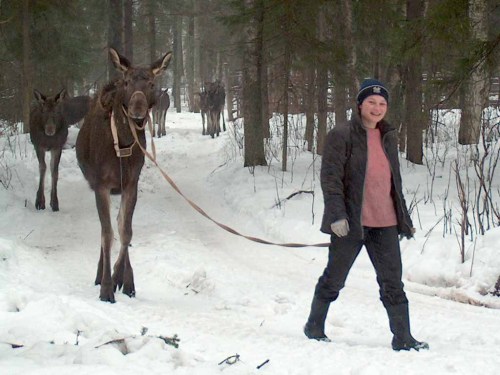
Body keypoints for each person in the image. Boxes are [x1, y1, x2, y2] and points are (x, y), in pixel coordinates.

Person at [304, 79, 429, 351]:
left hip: (385, 223)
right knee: (335, 278)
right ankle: (314, 325)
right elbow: (331, 178)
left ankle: (403, 337)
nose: (377, 107)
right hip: (350, 223)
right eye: (371, 102)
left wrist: (403, 219)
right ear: (360, 104)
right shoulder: (342, 134)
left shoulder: (388, 136)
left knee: (393, 282)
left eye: (382, 103)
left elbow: (393, 182)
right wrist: (337, 215)